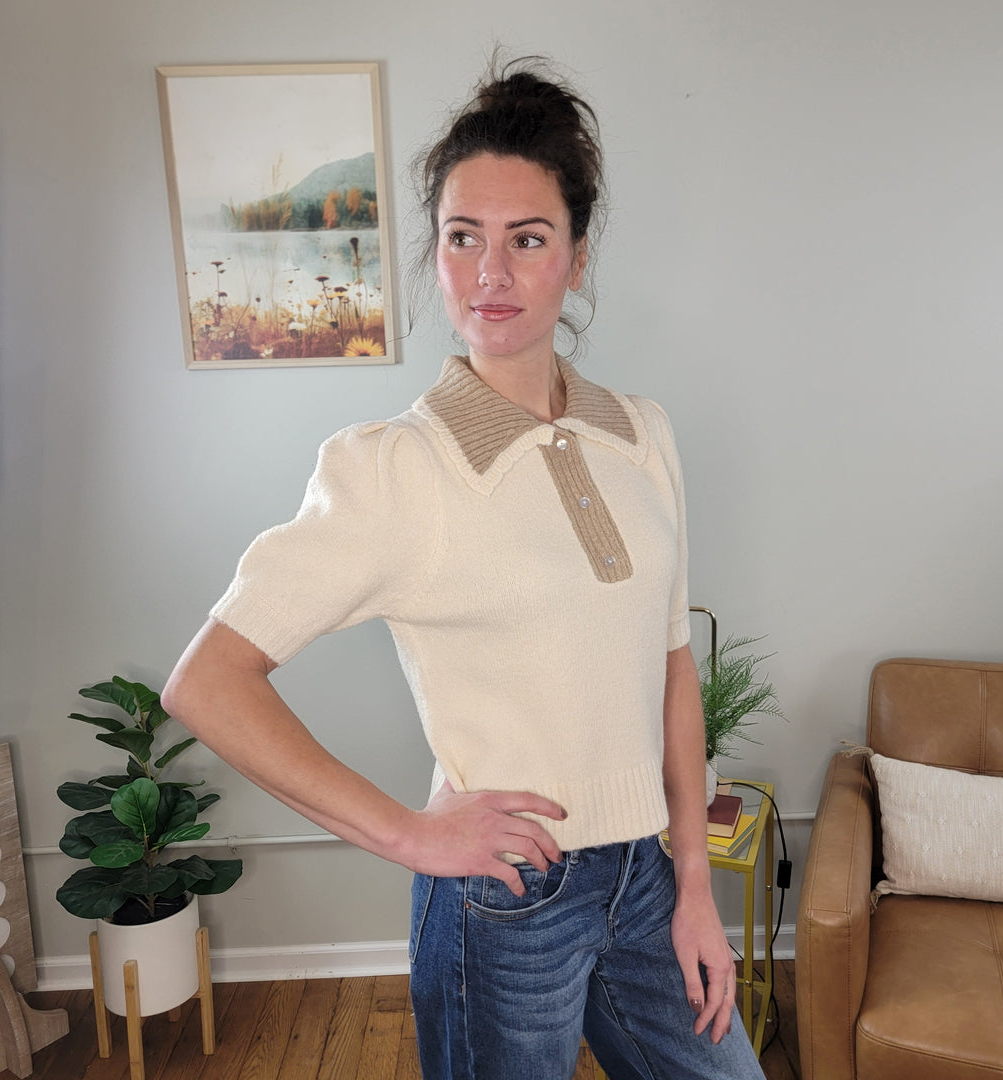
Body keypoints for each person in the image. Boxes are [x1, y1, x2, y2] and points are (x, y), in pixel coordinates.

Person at [163, 57, 765, 1080]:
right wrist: (408, 835)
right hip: (506, 900)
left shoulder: (643, 437)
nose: (491, 274)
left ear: (575, 259)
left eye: (527, 239)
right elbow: (206, 684)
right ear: (436, 256)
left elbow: (671, 660)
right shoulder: (393, 468)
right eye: (461, 238)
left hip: (651, 879)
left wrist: (696, 887)